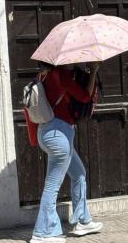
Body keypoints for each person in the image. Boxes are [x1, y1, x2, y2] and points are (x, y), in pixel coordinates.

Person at [27, 61, 103, 243]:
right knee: (52, 186)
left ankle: (83, 221)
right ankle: (43, 233)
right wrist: (93, 72)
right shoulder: (60, 74)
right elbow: (84, 96)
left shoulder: (42, 76)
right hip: (58, 134)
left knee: (79, 173)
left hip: (46, 132)